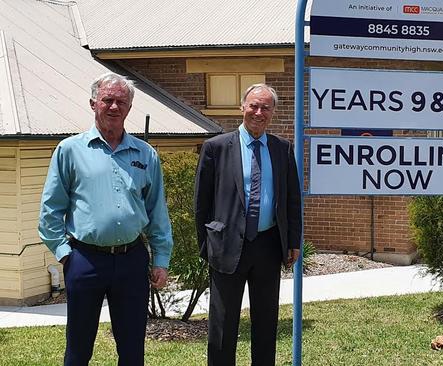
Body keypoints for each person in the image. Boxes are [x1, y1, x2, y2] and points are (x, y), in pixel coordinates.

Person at [38, 72, 173, 366]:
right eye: (107, 100)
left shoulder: (145, 154)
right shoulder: (70, 150)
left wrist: (161, 259)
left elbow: (157, 212)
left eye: (121, 102)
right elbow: (50, 212)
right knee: (79, 347)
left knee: (132, 347)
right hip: (84, 260)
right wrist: (66, 256)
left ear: (129, 108)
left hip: (132, 260)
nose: (114, 107)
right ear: (93, 103)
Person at [194, 84, 302, 366]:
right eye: (253, 105)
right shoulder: (216, 148)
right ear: (242, 107)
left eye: (265, 107)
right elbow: (201, 202)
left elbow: (292, 199)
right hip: (227, 245)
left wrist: (293, 241)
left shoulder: (282, 148)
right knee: (222, 325)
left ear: (273, 112)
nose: (258, 112)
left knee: (266, 323)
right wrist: (207, 245)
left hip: (268, 244)